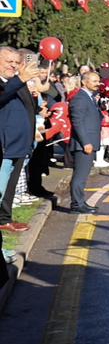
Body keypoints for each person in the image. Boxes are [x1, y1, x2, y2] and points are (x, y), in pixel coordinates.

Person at [0, 48, 46, 231]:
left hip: (20, 145)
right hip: (4, 146)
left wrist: (34, 95)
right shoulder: (10, 83)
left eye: (16, 62)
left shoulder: (17, 83)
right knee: (1, 187)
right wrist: (20, 80)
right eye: (8, 61)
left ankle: (4, 219)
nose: (13, 65)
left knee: (10, 188)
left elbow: (30, 109)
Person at [65, 71, 102, 214]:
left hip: (89, 142)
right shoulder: (80, 98)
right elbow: (77, 122)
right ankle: (76, 204)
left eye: (98, 81)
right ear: (84, 82)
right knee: (80, 176)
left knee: (83, 175)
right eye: (94, 81)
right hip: (83, 144)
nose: (97, 83)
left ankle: (80, 201)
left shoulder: (90, 98)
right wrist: (85, 142)